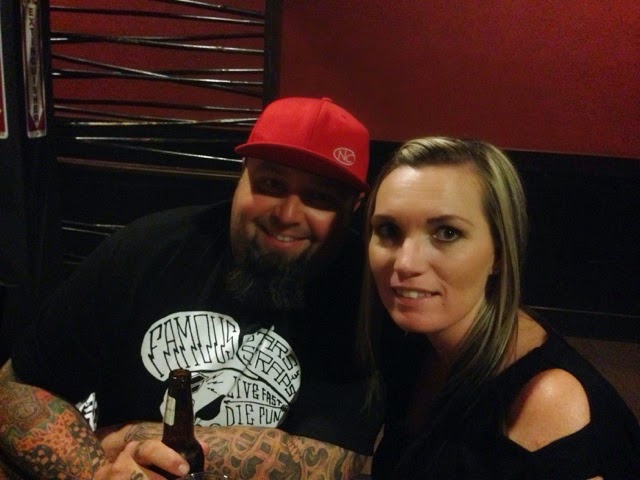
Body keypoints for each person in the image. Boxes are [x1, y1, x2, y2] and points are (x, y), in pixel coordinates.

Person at [0, 97, 384, 479]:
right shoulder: (148, 250)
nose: (287, 215)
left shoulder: (372, 294)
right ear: (243, 174)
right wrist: (97, 471)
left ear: (354, 206)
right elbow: (16, 389)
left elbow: (342, 464)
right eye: (271, 183)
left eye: (319, 197)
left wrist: (127, 437)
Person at [358, 137, 640, 479]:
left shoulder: (547, 402)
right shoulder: (416, 340)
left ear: (500, 253)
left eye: (446, 233)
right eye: (388, 230)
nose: (405, 262)